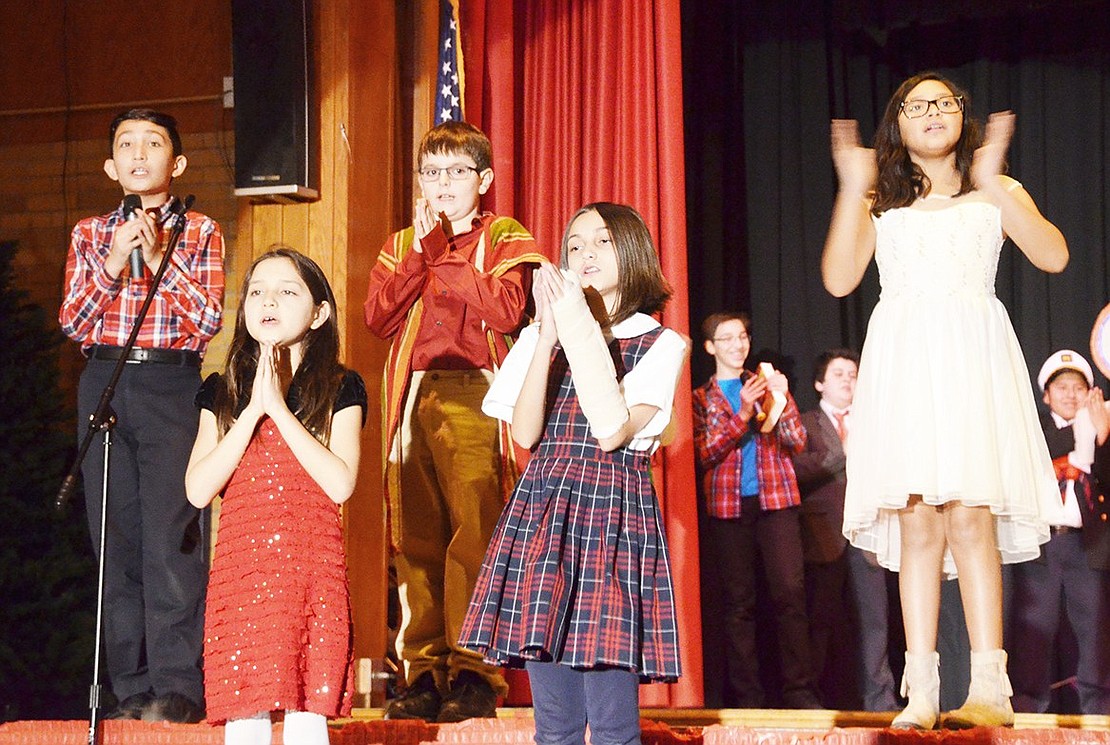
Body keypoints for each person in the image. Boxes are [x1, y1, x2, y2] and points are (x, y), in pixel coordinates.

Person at [823, 71, 1068, 729]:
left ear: (964, 116)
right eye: (915, 105)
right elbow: (841, 276)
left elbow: (1052, 254)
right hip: (904, 362)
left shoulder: (995, 188)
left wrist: (991, 179)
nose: (931, 113)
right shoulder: (880, 197)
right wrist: (851, 187)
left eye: (943, 102)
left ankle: (991, 683)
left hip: (971, 358)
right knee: (918, 518)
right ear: (895, 125)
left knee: (970, 514)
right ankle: (922, 688)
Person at [459, 203, 688, 745]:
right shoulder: (546, 335)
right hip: (544, 512)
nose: (584, 254)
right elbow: (525, 431)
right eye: (575, 245)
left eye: (601, 242)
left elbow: (613, 431)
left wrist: (580, 331)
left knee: (611, 725)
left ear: (631, 252)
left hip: (611, 516)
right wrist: (544, 337)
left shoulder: (658, 342)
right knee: (554, 725)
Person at [364, 120, 545, 722]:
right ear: (419, 181)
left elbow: (507, 309)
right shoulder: (402, 242)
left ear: (484, 179)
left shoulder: (502, 235)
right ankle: (419, 671)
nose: (444, 183)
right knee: (416, 537)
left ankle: (473, 671)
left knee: (475, 530)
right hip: (415, 393)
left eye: (458, 171)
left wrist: (446, 251)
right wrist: (422, 249)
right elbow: (379, 317)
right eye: (433, 172)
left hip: (478, 391)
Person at [58, 108, 224, 722]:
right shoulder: (87, 233)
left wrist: (157, 262)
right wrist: (111, 264)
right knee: (117, 541)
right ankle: (127, 691)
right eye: (125, 144)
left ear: (174, 163)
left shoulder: (201, 230)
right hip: (105, 379)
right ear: (110, 166)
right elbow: (74, 322)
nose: (137, 152)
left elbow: (207, 321)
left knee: (171, 539)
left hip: (170, 384)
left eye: (152, 143)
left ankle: (178, 687)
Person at [185, 248, 366, 745]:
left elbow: (340, 482)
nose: (269, 300)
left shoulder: (341, 386)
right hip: (243, 574)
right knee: (246, 707)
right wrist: (250, 412)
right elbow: (198, 489)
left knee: (307, 708)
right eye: (258, 291)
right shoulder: (220, 389)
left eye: (288, 291)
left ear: (319, 313)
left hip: (310, 570)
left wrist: (279, 410)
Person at [692, 311, 821, 710]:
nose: (737, 345)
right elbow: (704, 452)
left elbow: (797, 441)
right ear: (711, 347)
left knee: (790, 596)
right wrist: (742, 414)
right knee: (739, 605)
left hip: (777, 502)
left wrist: (780, 400)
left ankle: (800, 692)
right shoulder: (701, 397)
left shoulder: (765, 384)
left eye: (743, 337)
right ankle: (748, 697)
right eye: (726, 338)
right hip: (729, 509)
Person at [794, 348, 900, 711]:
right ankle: (814, 699)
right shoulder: (805, 422)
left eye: (853, 374)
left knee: (876, 620)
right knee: (820, 621)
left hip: (869, 532)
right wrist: (844, 454)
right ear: (820, 383)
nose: (847, 380)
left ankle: (881, 698)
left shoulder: (875, 422)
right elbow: (797, 470)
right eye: (838, 374)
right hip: (823, 534)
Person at [1009, 350, 1110, 715]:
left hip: (1089, 545)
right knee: (1035, 627)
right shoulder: (1033, 430)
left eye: (1078, 388)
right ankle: (1029, 707)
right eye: (1061, 387)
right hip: (1043, 543)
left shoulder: (1102, 427)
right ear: (1046, 395)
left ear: (1090, 392)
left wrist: (1103, 439)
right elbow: (1043, 451)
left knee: (1094, 630)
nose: (1070, 395)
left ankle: (1099, 710)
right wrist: (1091, 432)